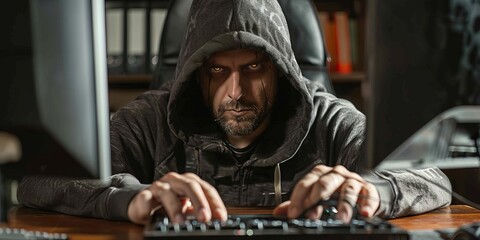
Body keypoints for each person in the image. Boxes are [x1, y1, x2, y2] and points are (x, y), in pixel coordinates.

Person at [17, 0, 451, 225]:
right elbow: (39, 178)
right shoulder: (151, 118)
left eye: (254, 69)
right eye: (218, 71)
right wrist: (129, 198)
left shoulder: (327, 118)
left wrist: (373, 190)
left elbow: (432, 174)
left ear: (280, 69)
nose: (235, 91)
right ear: (195, 74)